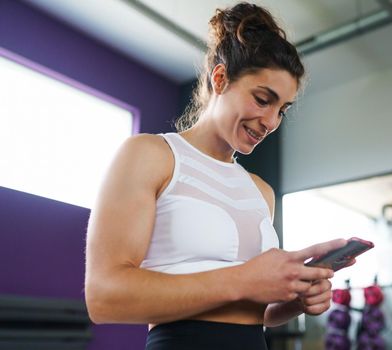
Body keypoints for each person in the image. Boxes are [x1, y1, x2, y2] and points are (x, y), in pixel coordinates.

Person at [84, 2, 354, 349]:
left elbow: (256, 309)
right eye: (262, 99)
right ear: (221, 79)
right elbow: (104, 297)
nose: (271, 122)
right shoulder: (151, 155)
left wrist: (294, 299)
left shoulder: (261, 192)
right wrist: (243, 280)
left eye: (281, 110)